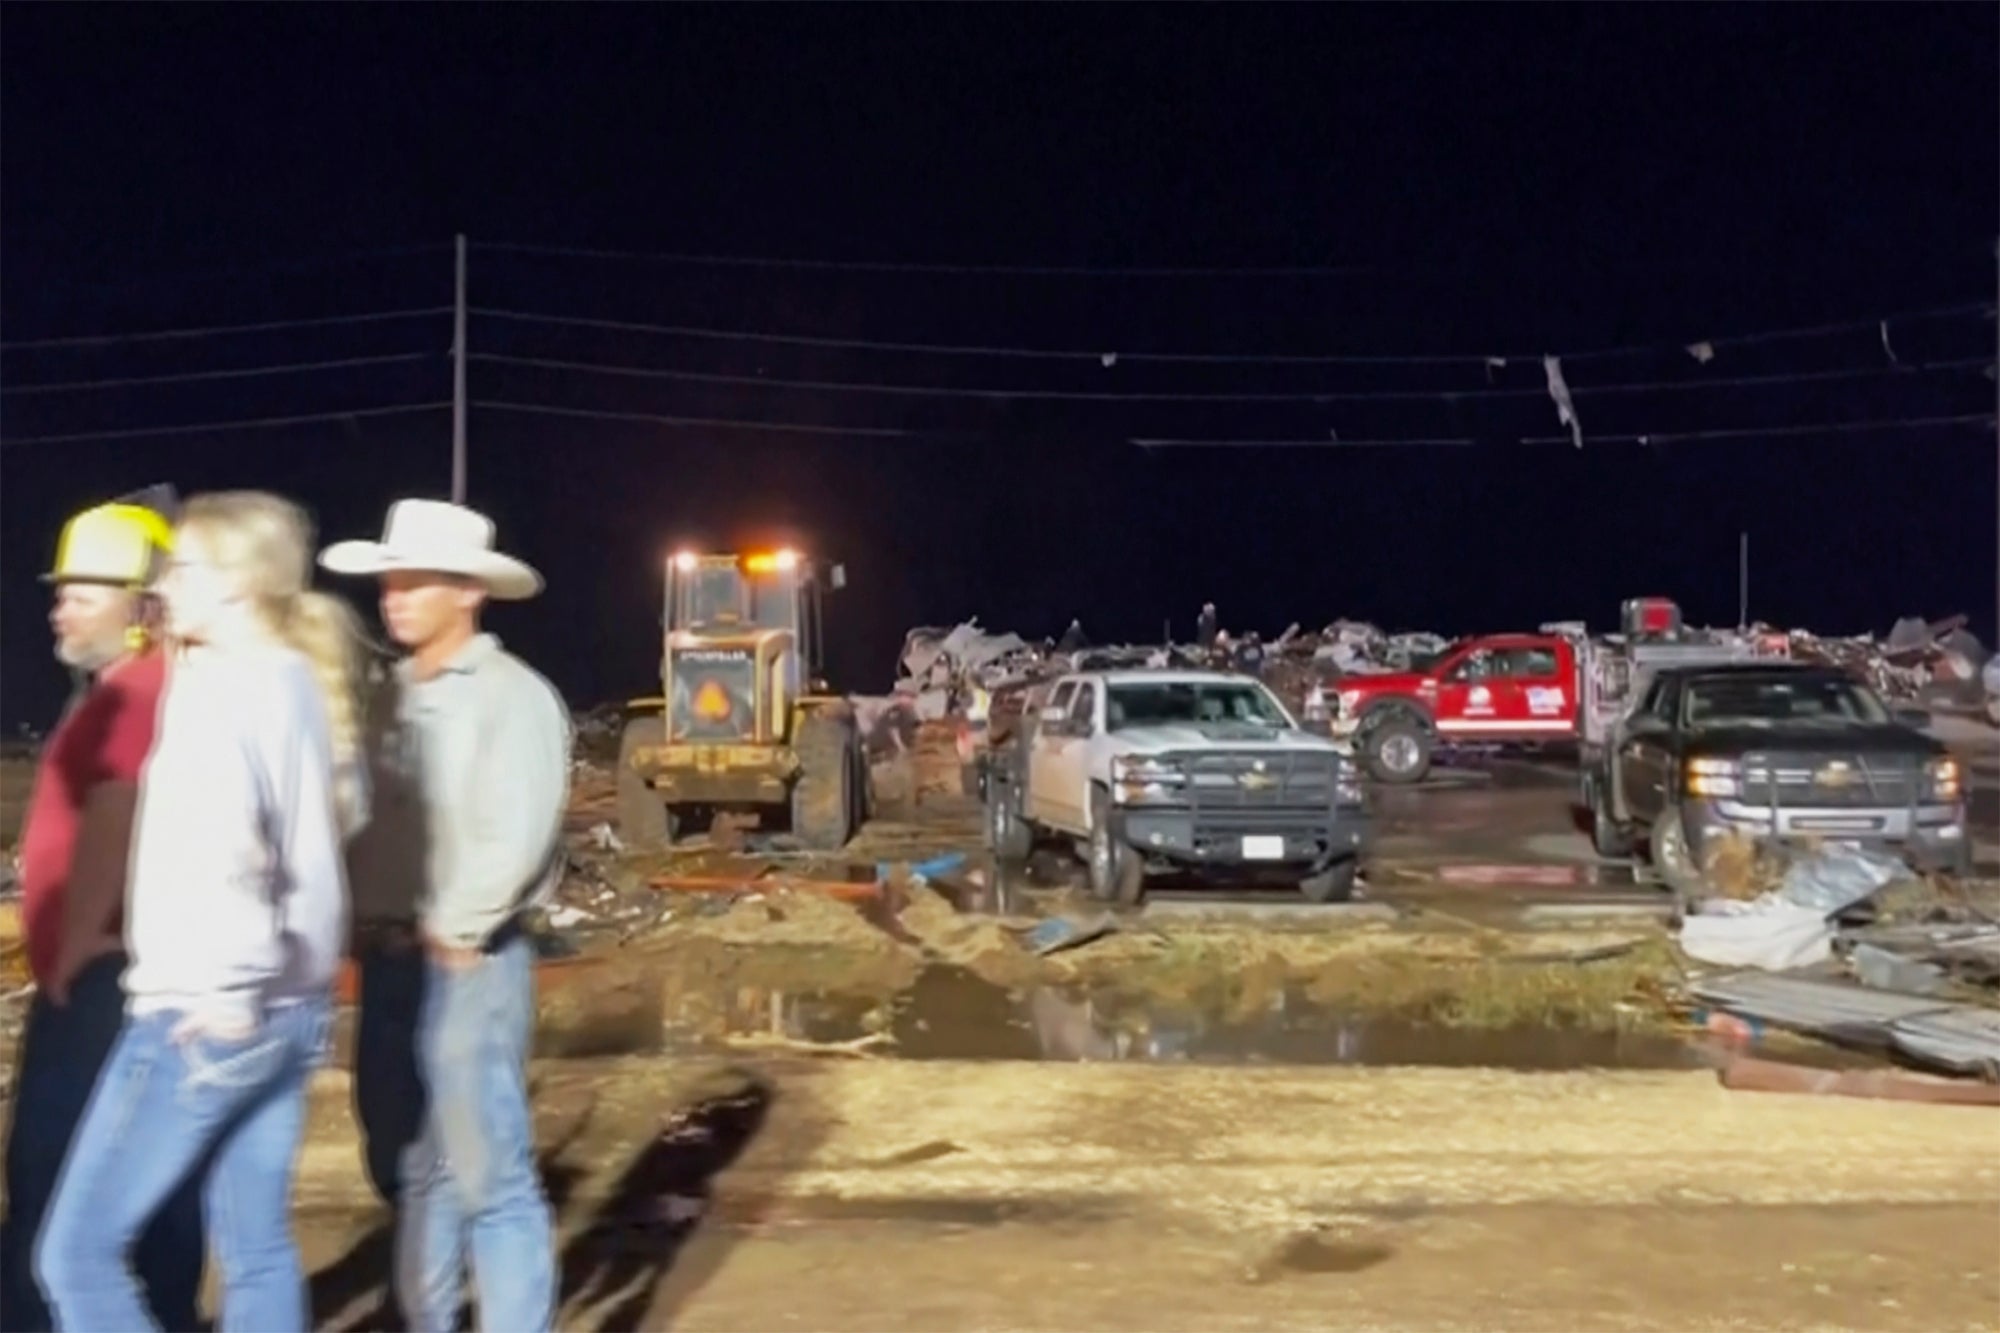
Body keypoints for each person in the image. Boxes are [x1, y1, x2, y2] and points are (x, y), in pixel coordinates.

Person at [33, 490, 367, 1333]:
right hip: (292, 1011)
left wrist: (223, 993)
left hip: (206, 1010)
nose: (164, 586)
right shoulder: (292, 678)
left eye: (181, 568)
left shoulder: (213, 694)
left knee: (74, 1256)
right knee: (254, 1246)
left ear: (239, 584)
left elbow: (235, 851)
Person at [320, 499, 571, 1333]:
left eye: (415, 580)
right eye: (390, 580)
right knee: (410, 1165)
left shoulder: (512, 698)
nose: (394, 595)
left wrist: (458, 927)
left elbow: (520, 830)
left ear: (468, 591)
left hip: (468, 965)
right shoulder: (386, 700)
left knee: (488, 1175)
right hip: (392, 964)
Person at [0, 491, 206, 1333]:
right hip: (110, 978)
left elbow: (117, 826)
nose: (59, 606)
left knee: (52, 1196)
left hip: (103, 986)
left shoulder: (138, 695)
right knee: (146, 1196)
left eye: (82, 593)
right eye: (61, 590)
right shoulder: (118, 691)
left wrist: (73, 946)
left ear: (141, 609)